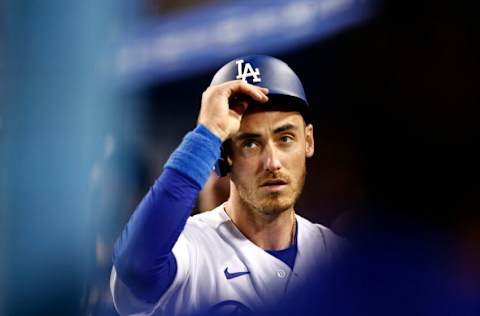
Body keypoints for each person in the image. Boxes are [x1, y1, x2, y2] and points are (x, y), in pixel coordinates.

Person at [110, 55, 343, 316]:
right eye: (250, 144)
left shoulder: (337, 256)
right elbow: (135, 267)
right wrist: (206, 134)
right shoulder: (190, 249)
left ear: (308, 141)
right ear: (224, 157)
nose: (273, 162)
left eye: (285, 138)